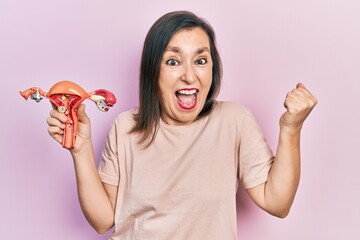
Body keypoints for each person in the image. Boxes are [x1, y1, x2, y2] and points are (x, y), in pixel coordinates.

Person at [47, 10, 317, 240]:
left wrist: (291, 129)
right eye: (173, 61)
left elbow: (278, 202)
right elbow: (103, 220)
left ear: (213, 69)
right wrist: (80, 149)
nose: (190, 76)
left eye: (200, 60)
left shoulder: (234, 121)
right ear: (154, 71)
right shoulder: (126, 127)